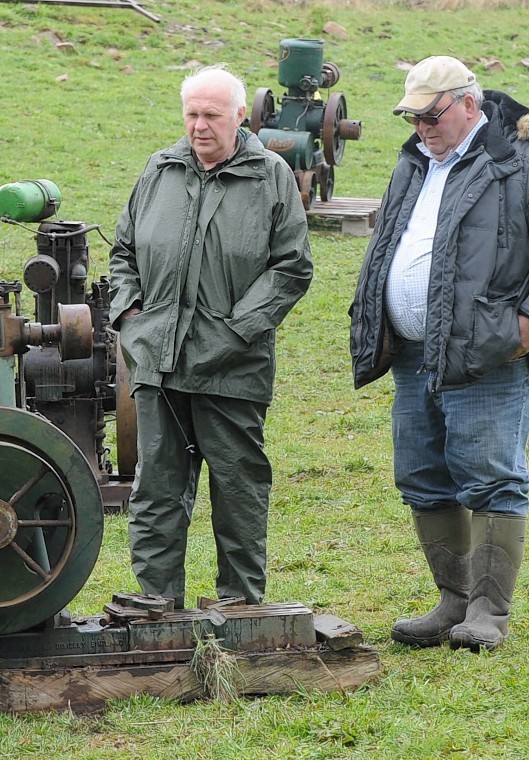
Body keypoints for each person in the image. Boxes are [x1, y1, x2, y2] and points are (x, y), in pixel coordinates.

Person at [349, 56, 529, 651]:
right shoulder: (416, 160)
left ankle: (488, 613)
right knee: (423, 477)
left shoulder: (523, 160)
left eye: (432, 116)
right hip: (413, 351)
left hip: (488, 353)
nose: (422, 128)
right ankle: (453, 602)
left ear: (468, 103)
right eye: (412, 118)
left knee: (491, 479)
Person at [109, 66, 313, 607]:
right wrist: (131, 318)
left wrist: (235, 332)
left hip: (232, 366)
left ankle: (241, 603)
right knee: (155, 488)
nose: (199, 126)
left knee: (238, 486)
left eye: (212, 116)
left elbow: (291, 269)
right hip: (158, 360)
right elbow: (123, 253)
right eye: (192, 114)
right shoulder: (159, 170)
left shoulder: (271, 176)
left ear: (241, 116)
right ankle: (156, 601)